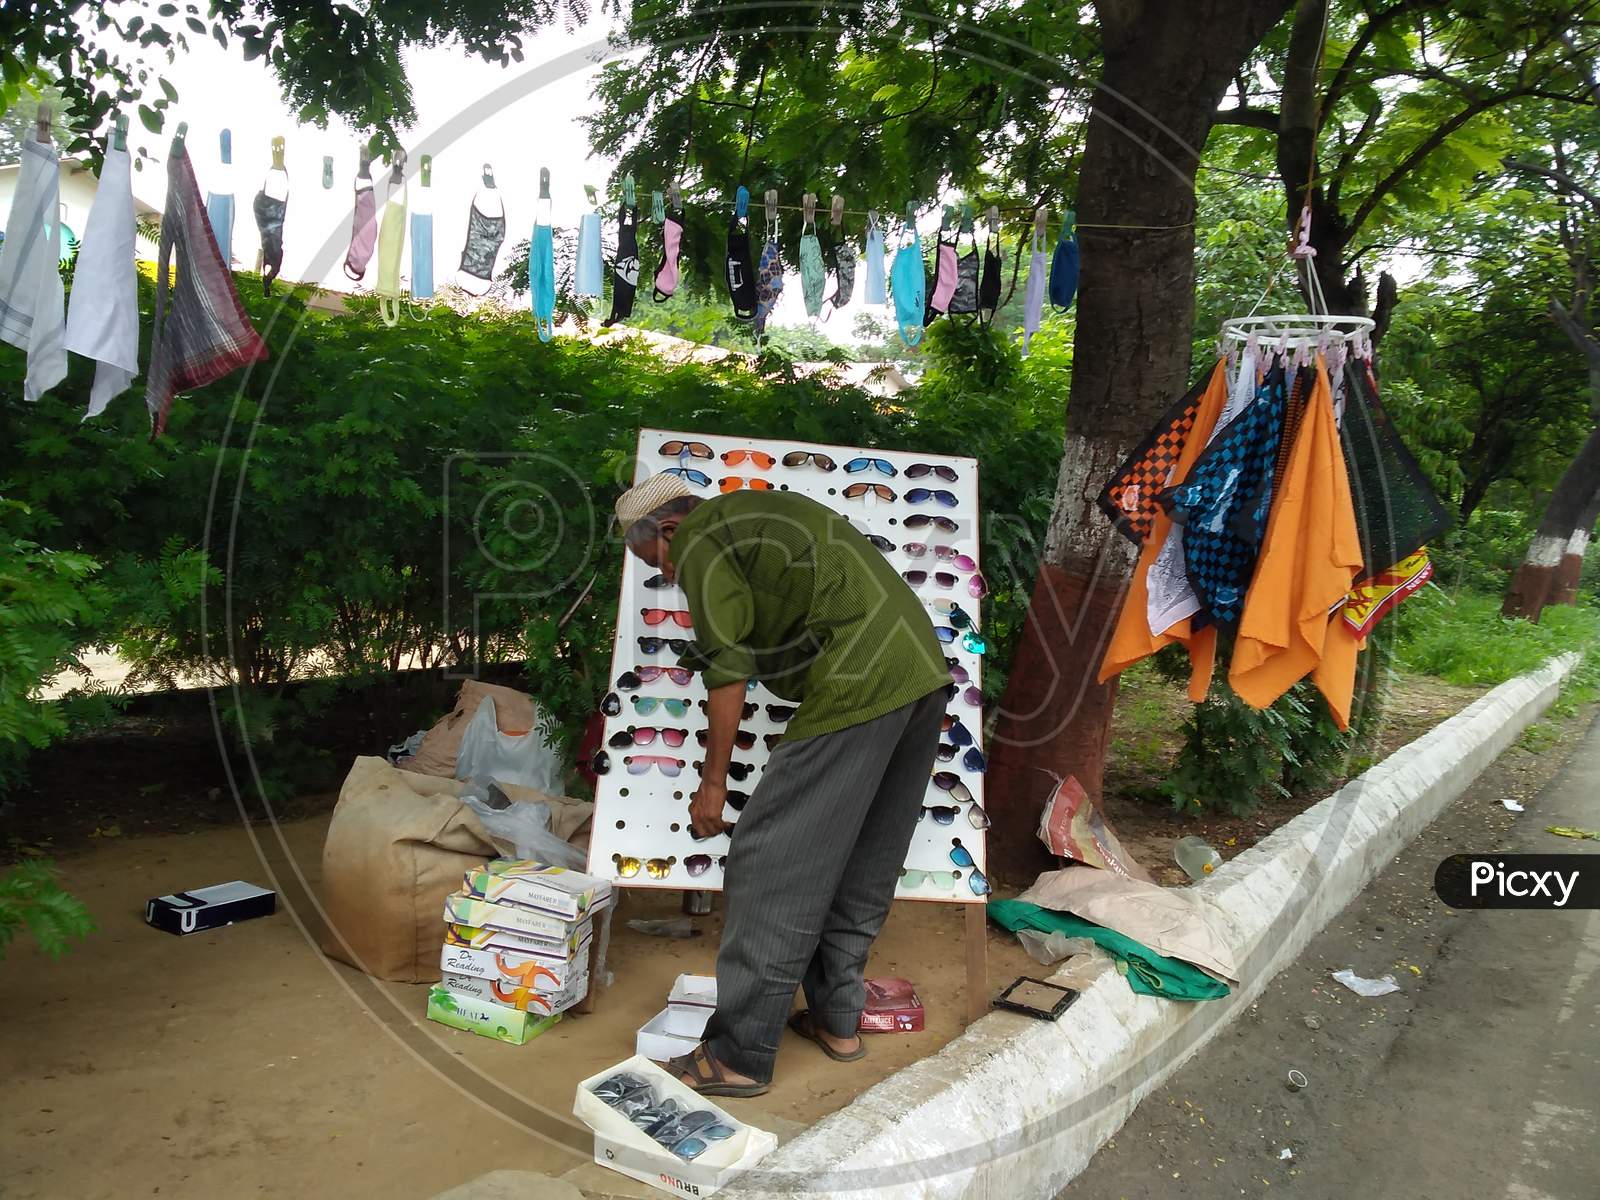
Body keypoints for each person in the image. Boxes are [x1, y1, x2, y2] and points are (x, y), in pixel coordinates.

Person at [614, 471, 950, 1097]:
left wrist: (712, 786)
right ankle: (836, 1021)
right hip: (921, 673)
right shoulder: (755, 515)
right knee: (862, 859)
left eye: (657, 563)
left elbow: (728, 673)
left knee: (772, 859)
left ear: (668, 529)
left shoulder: (702, 540)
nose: (670, 577)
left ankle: (738, 1055)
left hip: (861, 682)